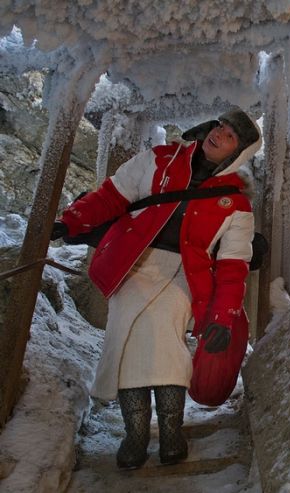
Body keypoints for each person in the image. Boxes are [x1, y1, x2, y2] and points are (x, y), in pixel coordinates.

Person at [51, 107, 261, 469]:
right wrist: (70, 221)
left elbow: (233, 264)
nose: (219, 133)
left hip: (185, 274)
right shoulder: (159, 159)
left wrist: (223, 316)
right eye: (221, 125)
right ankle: (136, 433)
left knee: (163, 338)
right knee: (128, 338)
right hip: (132, 261)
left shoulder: (236, 203)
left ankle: (170, 430)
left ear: (237, 152)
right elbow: (111, 196)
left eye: (230, 136)